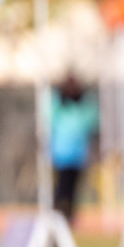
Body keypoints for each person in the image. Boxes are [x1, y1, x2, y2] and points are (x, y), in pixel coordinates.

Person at [50, 74, 99, 230]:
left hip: (78, 155)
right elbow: (49, 116)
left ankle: (69, 215)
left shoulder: (85, 106)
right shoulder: (58, 104)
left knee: (72, 188)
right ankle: (58, 214)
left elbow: (93, 121)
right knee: (61, 187)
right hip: (61, 154)